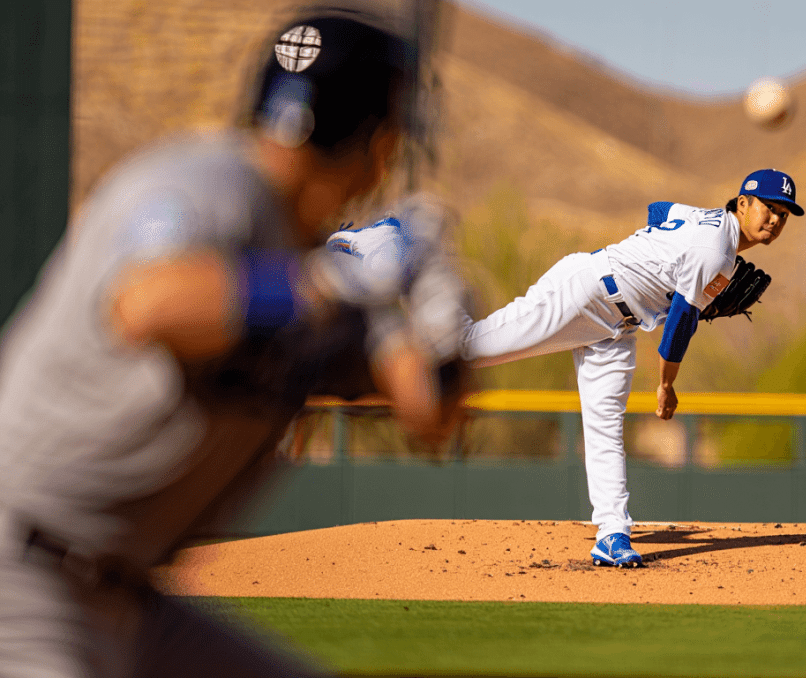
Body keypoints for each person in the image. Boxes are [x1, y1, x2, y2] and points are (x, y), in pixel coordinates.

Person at [0, 4, 466, 677]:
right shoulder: (209, 184)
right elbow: (151, 305)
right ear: (376, 141)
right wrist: (329, 280)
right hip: (19, 571)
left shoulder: (330, 264)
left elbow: (430, 413)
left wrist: (444, 316)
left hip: (124, 597)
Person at [465, 169, 802, 567]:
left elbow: (658, 210)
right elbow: (679, 322)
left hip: (617, 326)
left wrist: (660, 257)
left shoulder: (705, 220)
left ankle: (612, 534)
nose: (776, 220)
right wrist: (665, 384)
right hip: (586, 291)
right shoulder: (716, 252)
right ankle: (404, 284)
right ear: (742, 203)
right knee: (473, 349)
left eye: (784, 213)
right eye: (769, 207)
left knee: (606, 424)